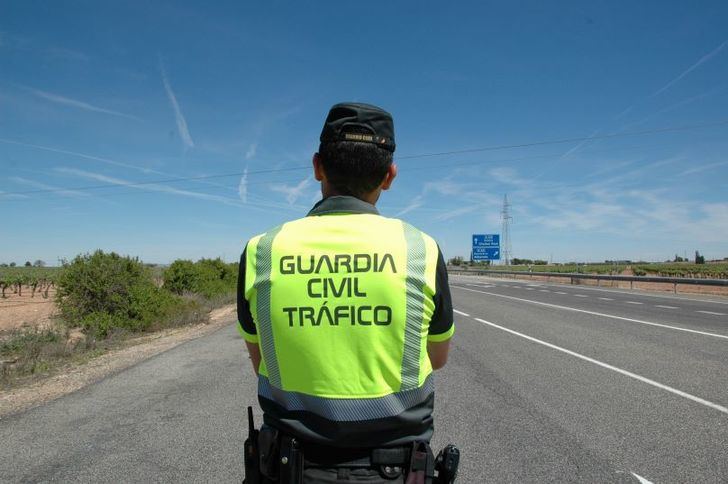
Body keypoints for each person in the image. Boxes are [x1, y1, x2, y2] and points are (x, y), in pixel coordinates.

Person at [237, 102, 455, 483]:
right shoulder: (420, 249)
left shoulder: (262, 250)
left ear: (317, 166)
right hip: (397, 469)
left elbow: (260, 362)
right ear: (389, 175)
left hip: (289, 467)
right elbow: (437, 357)